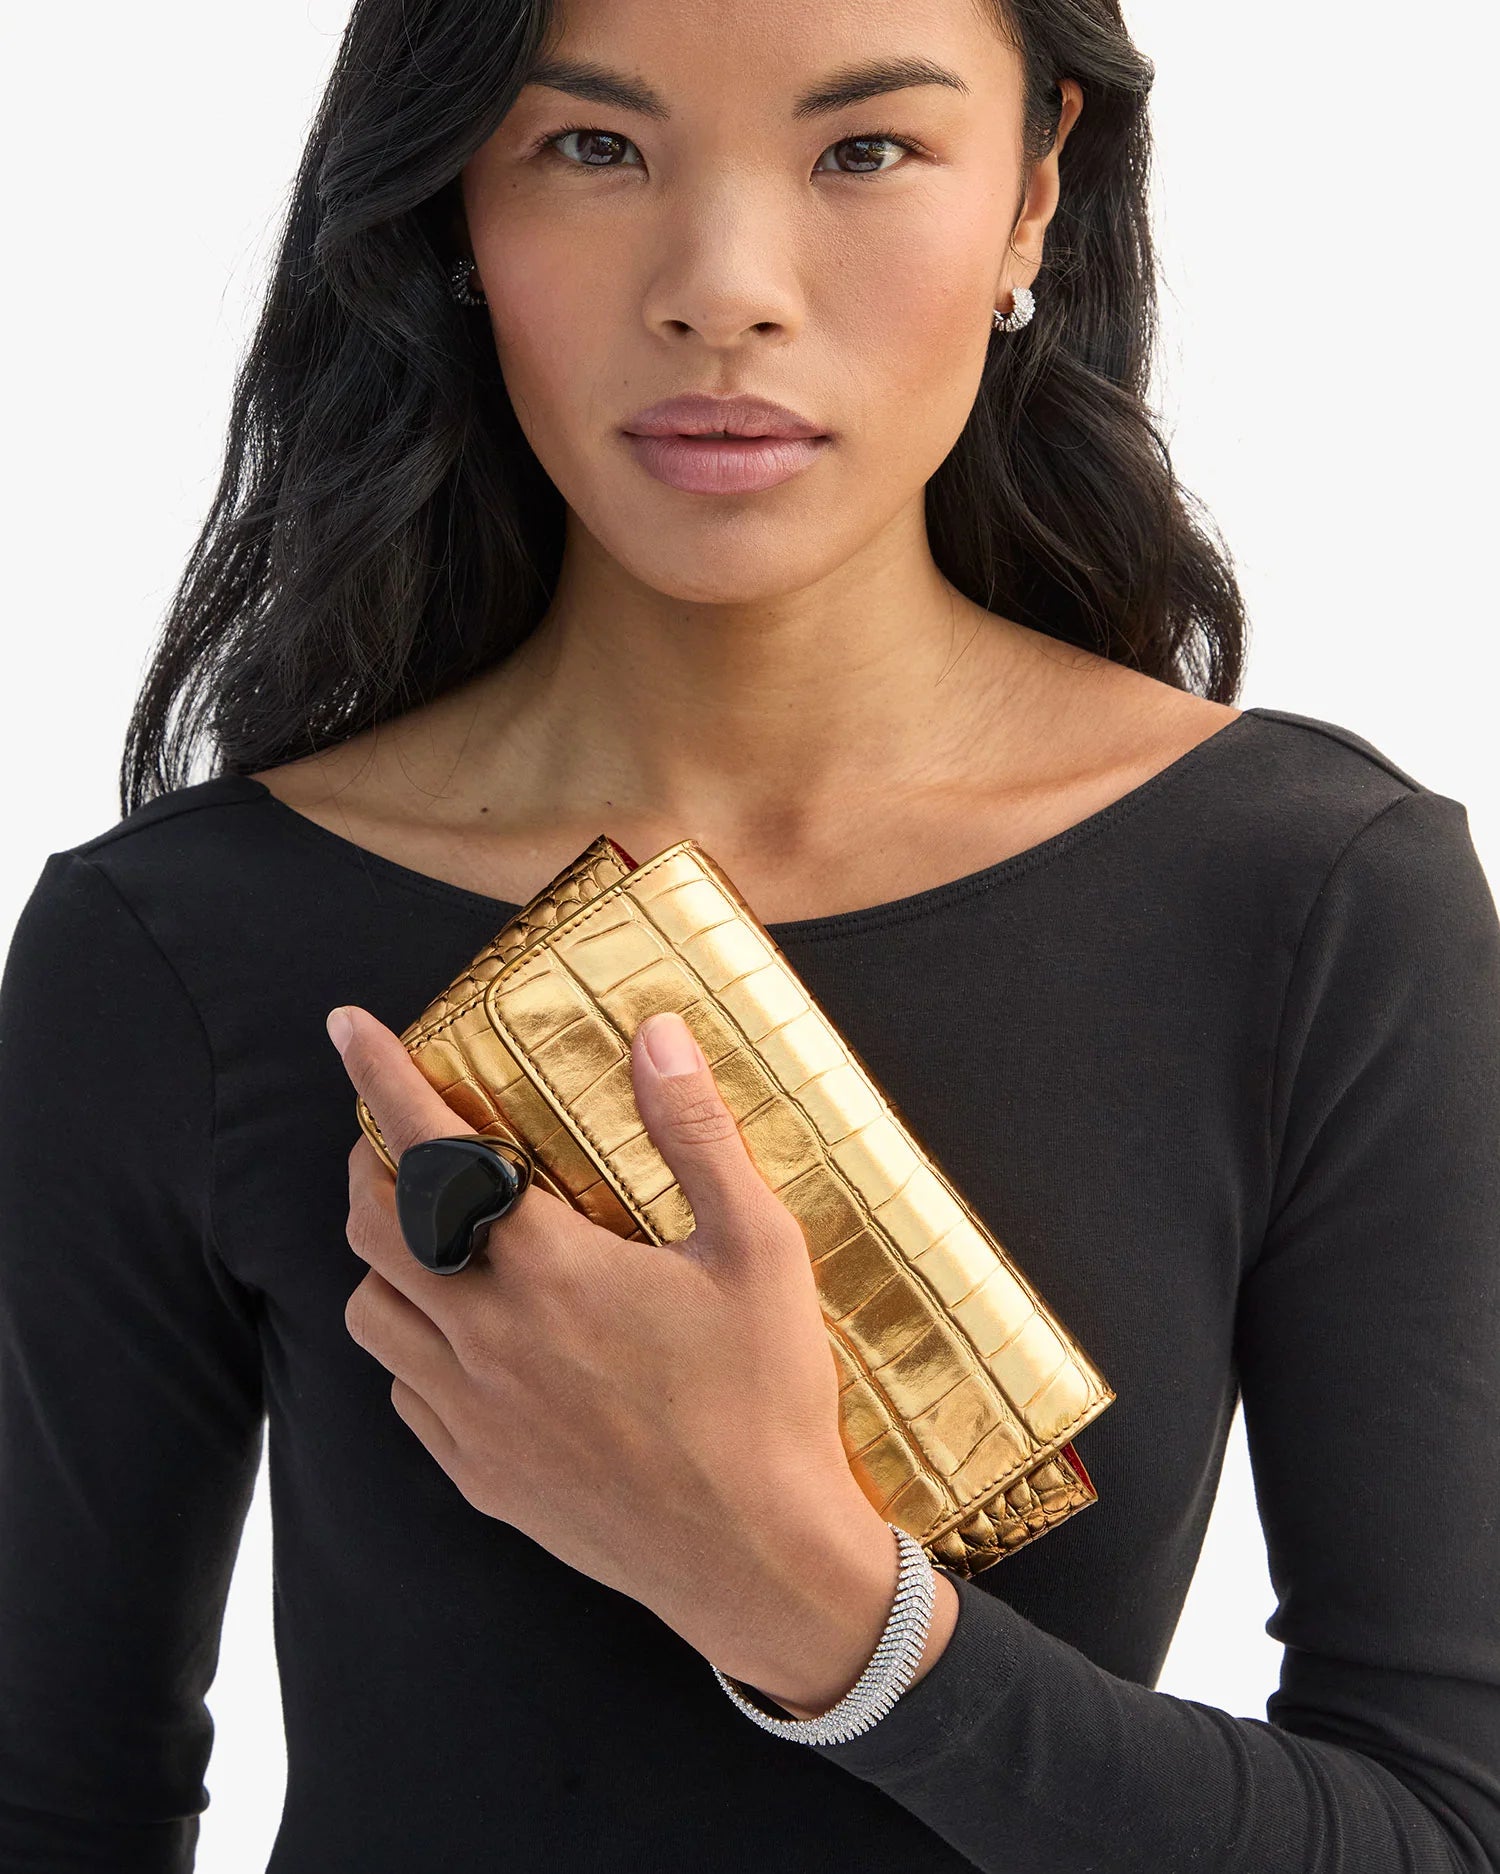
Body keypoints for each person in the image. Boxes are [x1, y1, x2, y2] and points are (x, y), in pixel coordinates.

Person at [2, 0, 1497, 1867]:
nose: (723, 288)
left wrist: (802, 1596)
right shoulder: (171, 940)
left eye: (865, 149)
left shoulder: (1312, 896)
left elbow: (1446, 1828)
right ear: (455, 206)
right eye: (592, 148)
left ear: (1036, 196)